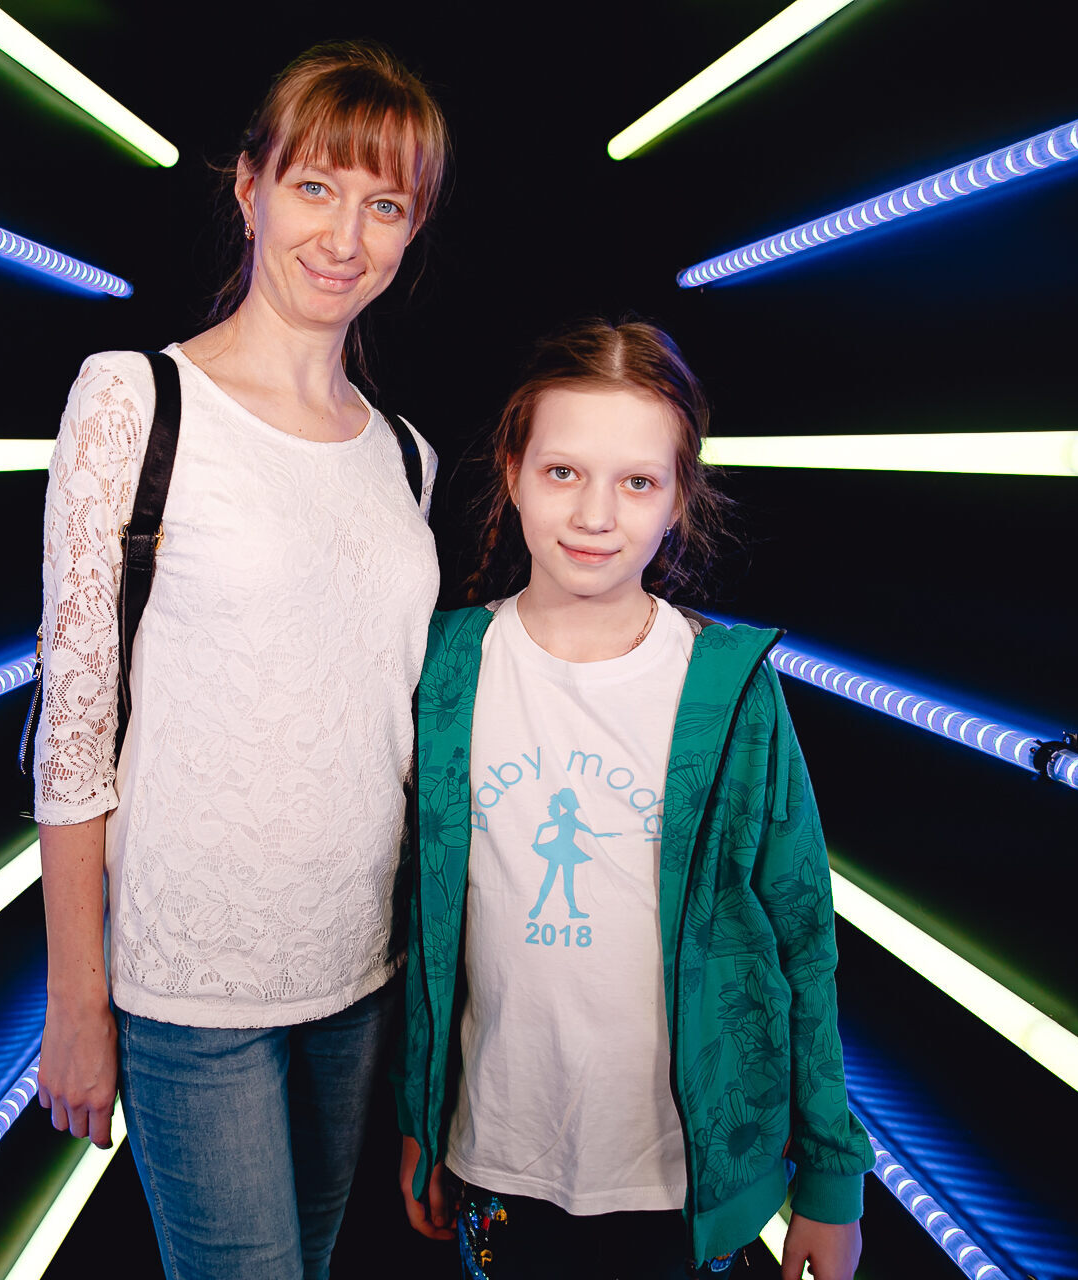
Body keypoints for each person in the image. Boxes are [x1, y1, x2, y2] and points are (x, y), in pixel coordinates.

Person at [32, 41, 451, 1280]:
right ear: (248, 187)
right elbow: (75, 727)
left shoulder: (407, 455)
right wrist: (75, 999)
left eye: (386, 204)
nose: (345, 236)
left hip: (358, 972)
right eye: (316, 186)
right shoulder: (136, 401)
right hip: (190, 984)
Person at [393, 320, 869, 1280]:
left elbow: (803, 935)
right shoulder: (444, 667)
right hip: (500, 1155)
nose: (595, 514)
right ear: (513, 471)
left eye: (638, 482)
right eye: (564, 471)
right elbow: (421, 919)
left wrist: (831, 1178)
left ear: (679, 497)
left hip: (683, 1183)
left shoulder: (728, 689)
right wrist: (423, 1118)